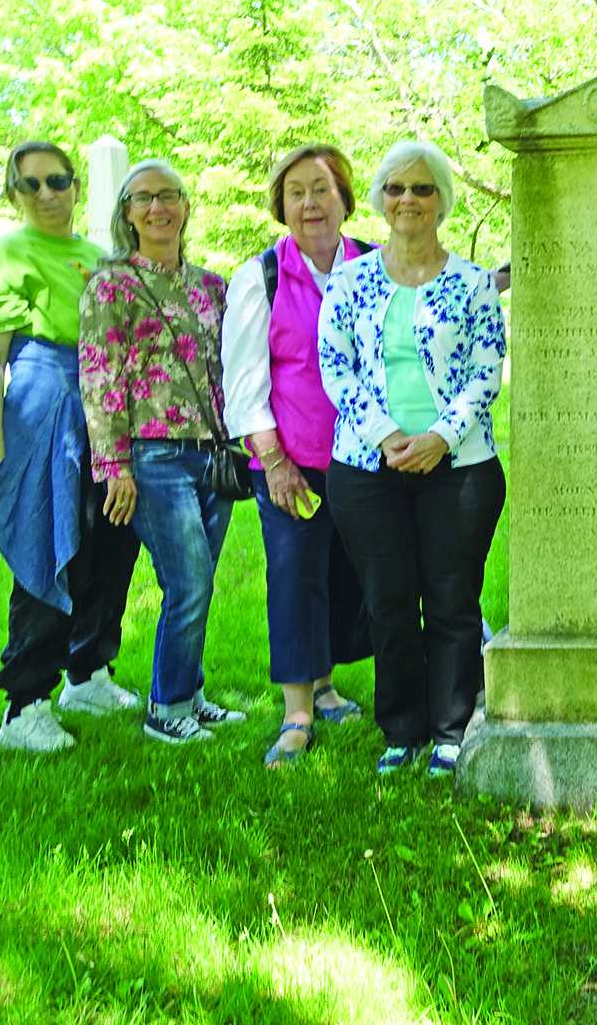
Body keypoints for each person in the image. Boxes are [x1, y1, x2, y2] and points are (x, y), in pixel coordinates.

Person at [318, 139, 505, 780]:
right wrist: (386, 436)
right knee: (388, 602)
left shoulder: (475, 283)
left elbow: (486, 373)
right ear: (378, 199)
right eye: (395, 188)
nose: (407, 201)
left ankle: (451, 730)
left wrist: (440, 438)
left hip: (459, 467)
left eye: (422, 189)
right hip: (368, 468)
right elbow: (335, 368)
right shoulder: (350, 280)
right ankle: (402, 730)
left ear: (442, 201)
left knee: (453, 600)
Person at [0, 141, 144, 753]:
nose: (47, 194)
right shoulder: (9, 252)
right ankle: (24, 705)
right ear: (14, 193)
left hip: (104, 406)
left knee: (111, 541)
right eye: (32, 185)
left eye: (58, 180)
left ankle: (88, 672)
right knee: (52, 550)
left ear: (76, 186)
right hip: (46, 409)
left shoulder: (97, 255)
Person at [80, 159, 245, 744]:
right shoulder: (111, 285)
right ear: (126, 213)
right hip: (154, 458)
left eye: (168, 195)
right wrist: (113, 466)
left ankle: (190, 692)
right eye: (143, 198)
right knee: (189, 581)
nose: (158, 208)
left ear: (183, 205)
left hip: (215, 456)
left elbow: (234, 366)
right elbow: (100, 381)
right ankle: (165, 707)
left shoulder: (211, 286)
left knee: (197, 582)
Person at [221, 145, 375, 768]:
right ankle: (297, 713)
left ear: (344, 197)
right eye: (295, 193)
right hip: (291, 458)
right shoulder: (260, 276)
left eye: (321, 189)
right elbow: (244, 381)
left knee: (348, 575)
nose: (309, 203)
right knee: (295, 576)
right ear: (280, 207)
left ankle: (329, 685)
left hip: (367, 455)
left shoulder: (375, 264)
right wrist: (276, 461)